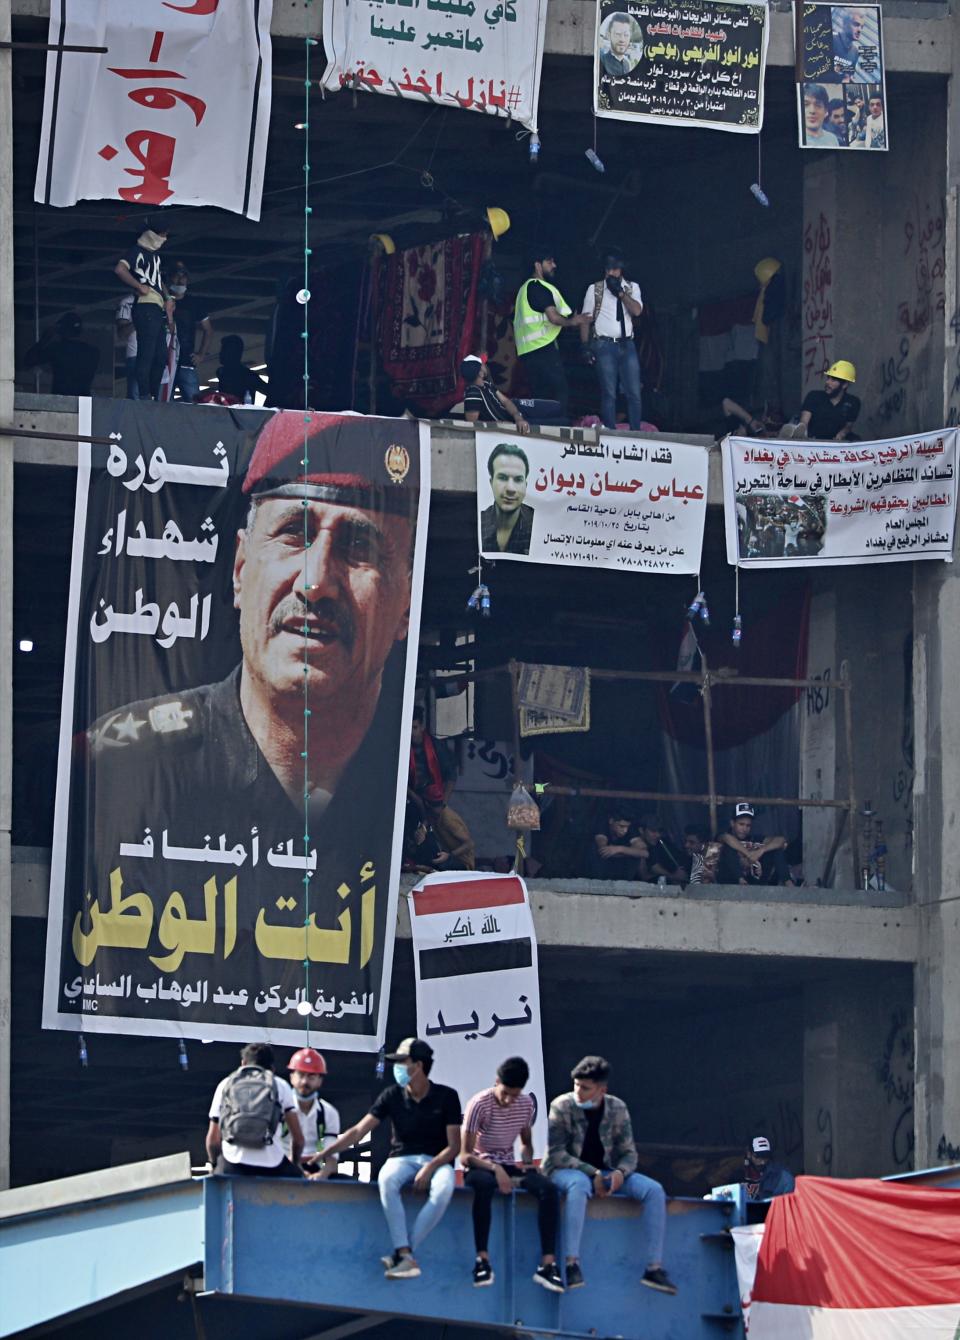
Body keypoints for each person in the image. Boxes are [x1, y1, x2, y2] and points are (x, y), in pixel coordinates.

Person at [81, 413, 421, 1012]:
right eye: (294, 532)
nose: (316, 582)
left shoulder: (410, 785)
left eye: (360, 545)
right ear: (240, 570)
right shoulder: (115, 762)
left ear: (405, 607)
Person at [318, 1038, 461, 1279]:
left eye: (402, 1062)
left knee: (444, 1190)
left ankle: (405, 1253)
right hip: (403, 1158)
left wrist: (430, 1168)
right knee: (387, 1179)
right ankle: (404, 1253)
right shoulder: (392, 1095)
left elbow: (454, 1146)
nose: (398, 1068)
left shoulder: (446, 1096)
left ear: (418, 1066)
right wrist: (326, 1152)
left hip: (437, 1160)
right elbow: (358, 1131)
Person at [544, 1056, 677, 1295]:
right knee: (579, 1185)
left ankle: (653, 1268)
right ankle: (571, 1263)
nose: (578, 1092)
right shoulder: (561, 1106)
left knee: (654, 1190)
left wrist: (620, 1173)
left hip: (604, 1171)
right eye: (576, 1085)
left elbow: (629, 1154)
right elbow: (556, 1154)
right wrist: (591, 1172)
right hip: (565, 1172)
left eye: (585, 1088)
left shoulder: (617, 1109)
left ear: (601, 1090)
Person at [462, 1056, 564, 1292]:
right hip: (480, 1165)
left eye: (514, 1095)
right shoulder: (479, 1104)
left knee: (548, 1189)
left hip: (508, 1164)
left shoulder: (525, 1104)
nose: (508, 1100)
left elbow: (526, 1143)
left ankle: (547, 1264)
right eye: (505, 1093)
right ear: (496, 1082)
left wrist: (528, 1162)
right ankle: (482, 1260)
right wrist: (495, 1169)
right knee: (484, 1186)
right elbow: (465, 1155)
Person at [513, 249, 591, 421]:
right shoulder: (537, 287)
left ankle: (540, 429)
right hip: (542, 349)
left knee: (541, 395)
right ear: (537, 265)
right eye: (549, 261)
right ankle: (558, 429)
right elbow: (554, 317)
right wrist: (573, 321)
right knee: (559, 392)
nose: (554, 265)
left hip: (528, 351)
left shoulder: (524, 289)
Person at [206, 1042, 303, 1177]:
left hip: (233, 1162)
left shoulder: (225, 1084)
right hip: (272, 1163)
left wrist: (213, 1165)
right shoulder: (280, 1085)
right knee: (298, 1178)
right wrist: (296, 1163)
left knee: (216, 1178)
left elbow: (213, 1140)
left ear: (243, 1063)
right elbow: (298, 1140)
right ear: (272, 1068)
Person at [580, 250, 644, 431]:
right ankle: (609, 433)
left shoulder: (632, 288)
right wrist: (585, 346)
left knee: (634, 393)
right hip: (604, 345)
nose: (611, 273)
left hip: (627, 344)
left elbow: (637, 311)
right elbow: (585, 319)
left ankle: (636, 433)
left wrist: (621, 294)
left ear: (621, 270)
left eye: (614, 269)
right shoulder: (595, 289)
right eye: (608, 269)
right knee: (609, 393)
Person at [114, 216, 173, 401]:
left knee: (161, 355)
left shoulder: (154, 256)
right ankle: (146, 396)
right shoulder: (136, 251)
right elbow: (120, 269)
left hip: (157, 307)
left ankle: (153, 395)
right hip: (144, 306)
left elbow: (157, 280)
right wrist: (138, 286)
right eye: (163, 235)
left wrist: (168, 297)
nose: (165, 239)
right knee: (146, 354)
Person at [281, 1047, 341, 1177]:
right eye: (301, 1075)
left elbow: (331, 1159)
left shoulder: (328, 1113)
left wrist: (321, 1175)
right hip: (283, 1166)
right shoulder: (279, 1108)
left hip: (314, 1166)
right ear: (291, 1077)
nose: (304, 1082)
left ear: (320, 1081)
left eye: (311, 1076)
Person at [21, 311, 99, 396]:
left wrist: (44, 340)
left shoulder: (57, 349)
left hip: (61, 401)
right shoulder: (93, 352)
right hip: (84, 402)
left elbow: (29, 360)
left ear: (62, 330)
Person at [715, 802, 793, 886]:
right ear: (732, 823)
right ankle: (741, 881)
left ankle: (789, 883)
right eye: (741, 824)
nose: (744, 829)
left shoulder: (754, 839)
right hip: (730, 881)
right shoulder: (723, 835)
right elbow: (728, 838)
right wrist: (749, 855)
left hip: (755, 880)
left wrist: (760, 851)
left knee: (775, 849)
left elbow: (781, 840)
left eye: (748, 825)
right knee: (729, 847)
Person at [167, 262, 212, 403]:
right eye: (176, 276)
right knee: (163, 405)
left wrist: (201, 354)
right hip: (165, 363)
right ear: (169, 278)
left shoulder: (194, 303)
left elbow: (208, 329)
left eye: (183, 276)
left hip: (186, 362)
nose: (180, 280)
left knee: (195, 405)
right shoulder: (161, 301)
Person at [480, 442, 535, 556]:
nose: (510, 488)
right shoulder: (479, 522)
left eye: (518, 479)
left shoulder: (537, 524)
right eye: (503, 478)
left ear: (526, 485)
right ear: (491, 483)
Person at [782, 361, 860, 441]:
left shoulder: (853, 402)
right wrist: (802, 432)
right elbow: (804, 422)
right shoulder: (814, 396)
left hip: (836, 444)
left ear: (845, 385)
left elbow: (848, 426)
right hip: (813, 440)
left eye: (833, 380)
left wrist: (842, 434)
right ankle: (792, 434)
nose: (827, 382)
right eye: (828, 378)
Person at [461, 355, 531, 432]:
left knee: (545, 409)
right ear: (480, 373)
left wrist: (518, 417)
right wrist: (500, 424)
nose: (485, 365)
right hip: (511, 423)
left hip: (515, 414)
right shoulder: (473, 392)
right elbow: (472, 423)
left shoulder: (487, 384)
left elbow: (506, 401)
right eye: (483, 364)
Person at [590, 809, 648, 881]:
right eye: (621, 826)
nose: (625, 830)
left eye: (627, 827)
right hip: (601, 874)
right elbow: (604, 851)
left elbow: (645, 853)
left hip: (623, 874)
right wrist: (631, 851)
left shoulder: (630, 830)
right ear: (611, 821)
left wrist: (619, 849)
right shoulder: (602, 827)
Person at [215, 335, 269, 404]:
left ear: (234, 353)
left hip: (242, 413)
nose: (221, 353)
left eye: (224, 350)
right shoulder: (221, 372)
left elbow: (268, 392)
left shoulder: (248, 376)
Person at [742, 1135, 795, 1200]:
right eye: (758, 1157)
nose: (763, 1162)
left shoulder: (782, 1176)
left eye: (765, 1157)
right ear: (749, 1154)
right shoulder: (739, 1173)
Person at [638, 814, 683, 884]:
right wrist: (673, 876)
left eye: (659, 831)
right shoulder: (637, 846)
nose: (658, 835)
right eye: (653, 831)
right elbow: (644, 877)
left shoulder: (659, 845)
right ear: (641, 830)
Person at [832, 8, 865, 81]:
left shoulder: (855, 52)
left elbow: (848, 76)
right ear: (845, 24)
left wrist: (847, 79)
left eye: (862, 27)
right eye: (856, 24)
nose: (859, 30)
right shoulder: (831, 39)